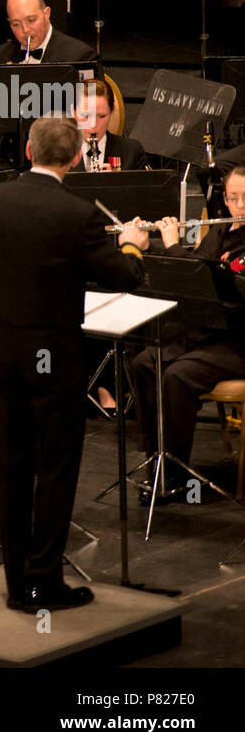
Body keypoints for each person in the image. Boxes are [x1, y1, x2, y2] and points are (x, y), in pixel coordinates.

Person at [0, 115, 147, 612]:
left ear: (27, 149)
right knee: (57, 466)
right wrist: (133, 240)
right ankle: (45, 580)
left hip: (4, 352)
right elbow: (126, 273)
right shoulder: (78, 214)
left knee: (12, 464)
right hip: (55, 357)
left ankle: (18, 581)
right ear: (73, 159)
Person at [130, 165, 245, 501]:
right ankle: (156, 459)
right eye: (233, 198)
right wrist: (146, 246)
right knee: (144, 362)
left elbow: (210, 284)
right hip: (211, 336)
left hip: (239, 342)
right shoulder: (219, 234)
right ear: (224, 199)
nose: (240, 206)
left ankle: (175, 475)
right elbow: (187, 280)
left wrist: (173, 246)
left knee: (178, 376)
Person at [0, 0, 97, 64]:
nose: (25, 30)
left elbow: (93, 97)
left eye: (31, 20)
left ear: (46, 14)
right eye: (16, 24)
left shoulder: (80, 56)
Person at [68, 78, 147, 172]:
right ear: (73, 112)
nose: (93, 124)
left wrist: (114, 182)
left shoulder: (131, 152)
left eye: (101, 116)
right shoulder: (57, 153)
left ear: (111, 111)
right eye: (86, 116)